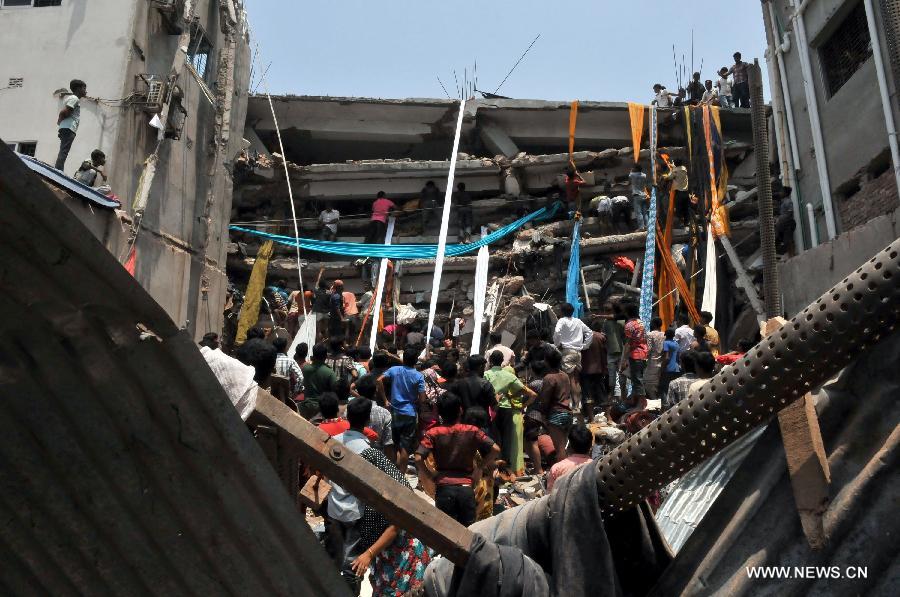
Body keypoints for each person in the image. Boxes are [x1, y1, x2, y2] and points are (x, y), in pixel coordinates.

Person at [353, 400, 432, 596]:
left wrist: (369, 554)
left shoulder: (389, 488)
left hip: (401, 551)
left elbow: (398, 521)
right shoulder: (371, 466)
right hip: (383, 551)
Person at [415, 392, 500, 527]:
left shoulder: (433, 433)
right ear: (460, 410)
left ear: (439, 413)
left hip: (444, 489)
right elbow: (495, 449)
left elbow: (418, 458)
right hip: (466, 489)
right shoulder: (472, 430)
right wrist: (479, 468)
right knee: (467, 533)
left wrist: (430, 475)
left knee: (445, 532)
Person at [324, 398, 375, 594]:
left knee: (335, 556)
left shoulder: (334, 442)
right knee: (352, 563)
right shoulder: (367, 449)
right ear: (367, 420)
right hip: (355, 511)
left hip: (334, 508)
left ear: (347, 417)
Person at [485, 350, 537, 475]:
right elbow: (531, 393)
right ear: (502, 361)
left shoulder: (486, 374)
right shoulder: (509, 375)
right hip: (507, 410)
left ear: (491, 361)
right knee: (507, 437)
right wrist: (523, 405)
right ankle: (506, 466)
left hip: (492, 409)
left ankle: (495, 465)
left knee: (494, 437)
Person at [377, 350, 426, 468]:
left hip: (394, 411)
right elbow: (422, 399)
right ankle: (401, 475)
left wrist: (385, 400)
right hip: (410, 413)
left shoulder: (395, 370)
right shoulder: (419, 376)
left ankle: (393, 471)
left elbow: (379, 380)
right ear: (416, 361)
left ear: (404, 359)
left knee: (393, 443)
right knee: (405, 447)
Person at [553, 302, 593, 411]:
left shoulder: (562, 320)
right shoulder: (578, 321)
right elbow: (590, 333)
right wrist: (584, 346)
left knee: (569, 379)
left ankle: (573, 405)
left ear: (562, 312)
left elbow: (557, 332)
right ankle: (578, 404)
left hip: (567, 352)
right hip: (578, 352)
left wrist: (557, 344)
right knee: (576, 379)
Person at [538, 348, 573, 464]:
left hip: (556, 414)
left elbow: (545, 399)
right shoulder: (564, 375)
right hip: (567, 413)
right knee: (564, 446)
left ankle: (561, 474)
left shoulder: (549, 378)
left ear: (547, 361)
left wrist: (542, 415)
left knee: (560, 449)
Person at [546, 424, 593, 492]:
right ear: (590, 447)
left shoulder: (557, 468)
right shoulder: (597, 466)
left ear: (569, 446)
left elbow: (550, 495)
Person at [620, 302, 649, 401]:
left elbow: (628, 344)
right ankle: (636, 401)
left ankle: (641, 403)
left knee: (637, 380)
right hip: (644, 353)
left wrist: (623, 361)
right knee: (638, 378)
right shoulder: (641, 322)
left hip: (635, 355)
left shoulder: (629, 325)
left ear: (627, 312)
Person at [300, 343, 337, 419]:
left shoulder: (305, 369)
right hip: (322, 410)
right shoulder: (330, 372)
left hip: (306, 406)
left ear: (313, 354)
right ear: (326, 356)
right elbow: (335, 390)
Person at [56, 79, 87, 171]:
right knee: (64, 151)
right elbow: (65, 112)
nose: (86, 91)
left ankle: (59, 169)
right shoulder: (74, 98)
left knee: (63, 150)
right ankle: (58, 171)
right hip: (69, 128)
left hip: (65, 128)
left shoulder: (71, 98)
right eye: (84, 88)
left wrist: (60, 122)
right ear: (78, 89)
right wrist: (60, 119)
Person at [579, 319, 607, 413]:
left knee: (587, 394)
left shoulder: (581, 337)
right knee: (601, 392)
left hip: (585, 370)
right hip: (598, 369)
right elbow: (604, 355)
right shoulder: (600, 337)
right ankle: (607, 416)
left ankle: (591, 417)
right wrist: (605, 368)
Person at [602, 308, 627, 400]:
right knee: (621, 374)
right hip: (621, 351)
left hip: (611, 352)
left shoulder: (605, 323)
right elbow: (624, 337)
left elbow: (604, 337)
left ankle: (612, 396)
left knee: (612, 376)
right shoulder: (621, 322)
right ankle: (623, 395)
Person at [643, 317, 665, 400]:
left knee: (648, 385)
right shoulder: (664, 334)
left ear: (654, 324)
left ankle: (654, 403)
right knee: (656, 385)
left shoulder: (650, 334)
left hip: (651, 362)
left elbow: (648, 349)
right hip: (661, 362)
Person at [664, 159, 691, 227]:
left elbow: (668, 178)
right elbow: (678, 168)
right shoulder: (684, 169)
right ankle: (687, 222)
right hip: (686, 192)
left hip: (679, 193)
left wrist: (671, 170)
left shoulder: (675, 171)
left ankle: (680, 224)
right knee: (686, 208)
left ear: (675, 164)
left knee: (679, 209)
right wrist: (673, 166)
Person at [658, 328, 682, 399]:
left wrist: (662, 368)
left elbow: (666, 358)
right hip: (677, 369)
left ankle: (665, 406)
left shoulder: (666, 343)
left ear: (666, 335)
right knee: (674, 389)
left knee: (664, 389)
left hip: (668, 369)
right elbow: (679, 357)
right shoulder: (676, 344)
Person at [629, 164, 649, 230]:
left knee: (638, 212)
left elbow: (630, 175)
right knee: (645, 212)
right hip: (644, 195)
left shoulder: (632, 175)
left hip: (637, 195)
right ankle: (647, 226)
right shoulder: (644, 175)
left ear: (636, 169)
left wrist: (632, 170)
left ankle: (641, 227)